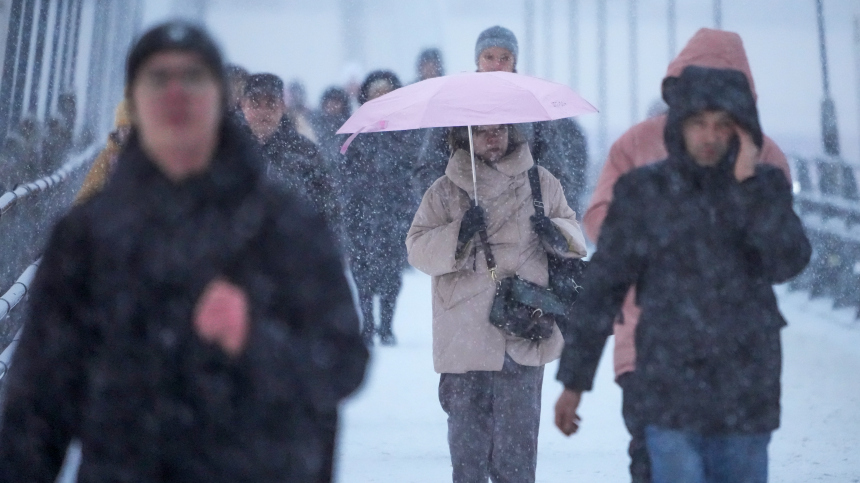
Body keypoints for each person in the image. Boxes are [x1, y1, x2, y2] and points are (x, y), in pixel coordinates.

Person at [0, 22, 368, 482]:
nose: (175, 95)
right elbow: (38, 401)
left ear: (218, 98)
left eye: (192, 79)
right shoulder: (89, 235)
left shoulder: (284, 226)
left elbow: (343, 361)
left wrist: (258, 340)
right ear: (134, 101)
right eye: (157, 80)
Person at [554, 28, 793, 483]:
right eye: (699, 118)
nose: (711, 133)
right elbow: (606, 276)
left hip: (744, 377)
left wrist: (747, 185)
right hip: (663, 365)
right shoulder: (644, 182)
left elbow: (786, 259)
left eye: (723, 117)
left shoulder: (765, 166)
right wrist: (575, 379)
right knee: (652, 460)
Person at [407, 123, 587, 483]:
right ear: (465, 137)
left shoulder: (540, 181)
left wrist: (556, 233)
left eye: (500, 130)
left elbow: (572, 231)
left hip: (523, 329)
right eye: (483, 132)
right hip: (464, 338)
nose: (493, 138)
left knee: (517, 460)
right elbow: (417, 248)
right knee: (468, 459)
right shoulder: (444, 191)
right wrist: (459, 234)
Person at [412, 26, 589, 213]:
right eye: (489, 57)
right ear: (477, 61)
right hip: (466, 232)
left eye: (504, 58)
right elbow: (427, 170)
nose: (497, 65)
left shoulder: (534, 109)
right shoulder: (454, 106)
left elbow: (555, 173)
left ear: (514, 62)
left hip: (522, 227)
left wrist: (543, 213)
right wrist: (456, 209)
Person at [342, 70, 419, 346]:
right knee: (362, 274)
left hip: (394, 214)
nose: (381, 98)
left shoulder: (406, 132)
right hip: (361, 214)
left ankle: (386, 325)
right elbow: (344, 173)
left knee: (391, 275)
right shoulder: (354, 131)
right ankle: (368, 324)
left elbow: (412, 171)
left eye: (387, 93)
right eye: (376, 93)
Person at [240, 73, 342, 238]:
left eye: (271, 104)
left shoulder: (305, 152)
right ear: (243, 105)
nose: (263, 111)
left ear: (282, 107)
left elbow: (329, 207)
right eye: (255, 104)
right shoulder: (228, 150)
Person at [74, 100, 132, 204]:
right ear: (118, 130)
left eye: (131, 130)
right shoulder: (106, 157)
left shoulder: (151, 158)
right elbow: (85, 196)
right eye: (124, 129)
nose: (127, 134)